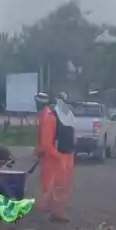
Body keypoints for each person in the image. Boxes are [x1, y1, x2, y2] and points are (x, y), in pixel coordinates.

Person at [35, 92, 76, 222]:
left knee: (60, 184)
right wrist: (58, 157)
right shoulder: (52, 118)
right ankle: (56, 212)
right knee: (59, 185)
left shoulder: (68, 117)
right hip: (59, 155)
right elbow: (47, 143)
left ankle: (50, 205)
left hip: (67, 153)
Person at [31, 92, 53, 201]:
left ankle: (48, 203)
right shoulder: (43, 114)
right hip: (46, 153)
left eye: (36, 102)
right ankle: (48, 201)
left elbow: (46, 138)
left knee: (47, 178)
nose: (35, 104)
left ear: (40, 103)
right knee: (45, 177)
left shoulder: (46, 116)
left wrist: (40, 151)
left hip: (47, 154)